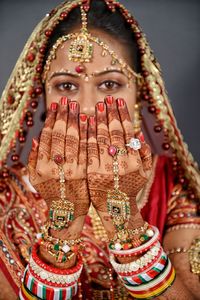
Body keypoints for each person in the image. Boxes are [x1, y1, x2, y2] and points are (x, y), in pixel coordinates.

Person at [0, 0, 199, 299]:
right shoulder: (6, 197)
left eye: (109, 84)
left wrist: (123, 218)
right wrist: (63, 226)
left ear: (140, 94)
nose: (88, 108)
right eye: (66, 86)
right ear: (41, 96)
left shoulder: (172, 185)